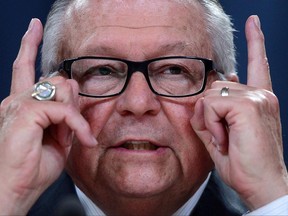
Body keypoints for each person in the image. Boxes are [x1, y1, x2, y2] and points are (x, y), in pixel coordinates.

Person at [0, 0, 288, 215]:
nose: (138, 104)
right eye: (103, 71)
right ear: (48, 98)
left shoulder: (268, 204)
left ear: (228, 98)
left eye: (174, 70)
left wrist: (271, 197)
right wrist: (8, 194)